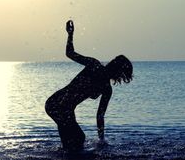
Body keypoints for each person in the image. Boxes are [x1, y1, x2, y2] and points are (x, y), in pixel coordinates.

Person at [45, 20, 133, 151]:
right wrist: (70, 34)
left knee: (74, 143)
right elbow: (70, 53)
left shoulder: (106, 88)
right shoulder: (94, 65)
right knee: (78, 138)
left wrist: (101, 139)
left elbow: (100, 116)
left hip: (67, 109)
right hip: (56, 103)